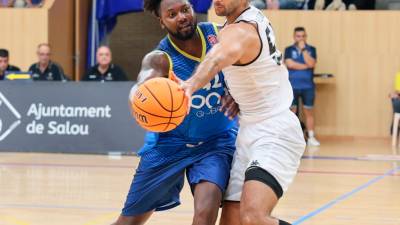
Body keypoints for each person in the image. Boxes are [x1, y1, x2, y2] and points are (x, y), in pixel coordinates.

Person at [113, 0, 239, 225]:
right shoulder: (160, 58)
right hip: (170, 143)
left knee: (205, 212)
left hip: (216, 142)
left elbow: (248, 66)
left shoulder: (219, 35)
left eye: (185, 9)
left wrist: (238, 94)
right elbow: (141, 86)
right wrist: (139, 96)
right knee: (128, 222)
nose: (181, 16)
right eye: (172, 14)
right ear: (161, 21)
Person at [181, 1, 306, 225]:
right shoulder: (240, 22)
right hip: (247, 130)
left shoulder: (242, 30)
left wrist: (190, 85)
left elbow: (218, 57)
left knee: (253, 218)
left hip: (275, 131)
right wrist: (232, 94)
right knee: (231, 221)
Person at [284, 27, 319, 146]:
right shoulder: (289, 49)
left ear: (306, 37)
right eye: (298, 36)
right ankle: (291, 138)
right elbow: (289, 64)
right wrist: (306, 66)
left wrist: (304, 51)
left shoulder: (311, 49)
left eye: (303, 36)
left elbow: (312, 63)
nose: (301, 38)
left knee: (308, 111)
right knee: (291, 111)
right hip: (292, 86)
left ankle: (311, 137)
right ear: (294, 37)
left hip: (308, 86)